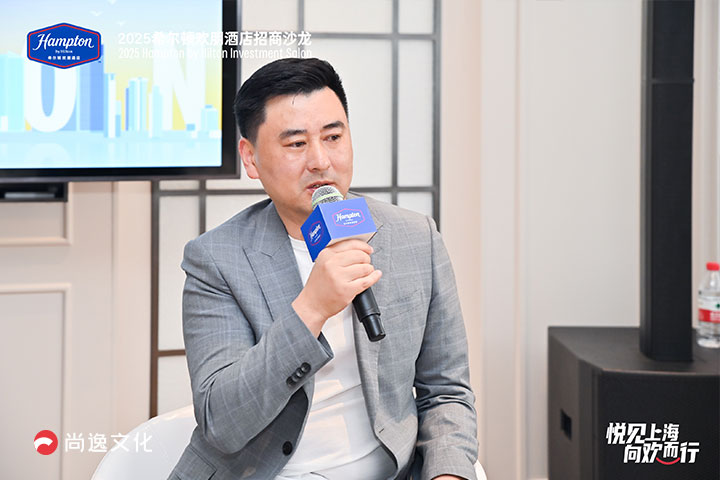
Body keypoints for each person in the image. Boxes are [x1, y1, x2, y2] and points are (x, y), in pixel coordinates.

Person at [168, 58, 478, 480]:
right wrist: (311, 309)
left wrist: (447, 475)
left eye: (333, 137)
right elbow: (222, 423)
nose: (320, 160)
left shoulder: (415, 238)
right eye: (296, 144)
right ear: (251, 158)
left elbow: (446, 392)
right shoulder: (216, 259)